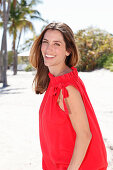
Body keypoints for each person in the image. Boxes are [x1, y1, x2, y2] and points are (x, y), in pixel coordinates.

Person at [29, 22, 108, 170]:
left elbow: (85, 135)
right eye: (45, 42)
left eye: (57, 44)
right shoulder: (55, 80)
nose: (48, 48)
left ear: (68, 50)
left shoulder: (67, 88)